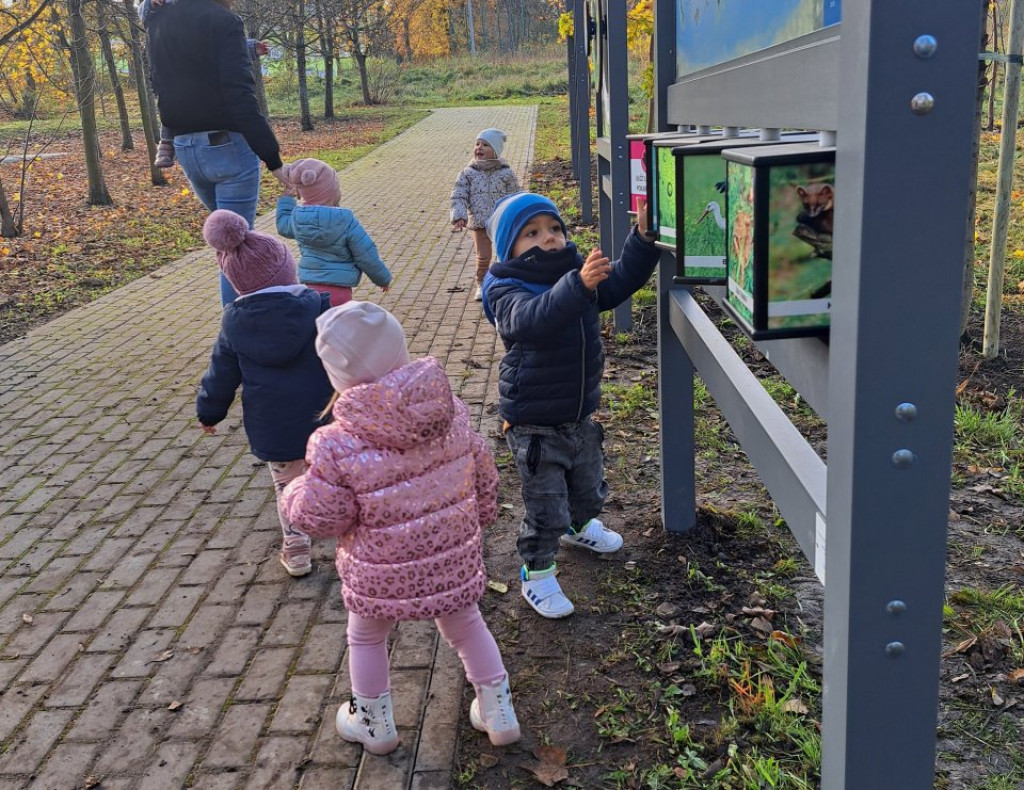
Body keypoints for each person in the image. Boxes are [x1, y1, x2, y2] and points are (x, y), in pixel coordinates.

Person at [281, 301, 520, 755]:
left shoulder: (334, 442)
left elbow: (323, 515)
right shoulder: (449, 411)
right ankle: (499, 712)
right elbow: (483, 469)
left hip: (378, 569)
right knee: (467, 625)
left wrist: (293, 493)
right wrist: (482, 514)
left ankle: (375, 725)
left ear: (336, 375)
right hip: (453, 555)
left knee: (367, 636)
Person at [481, 192, 660, 619]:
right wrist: (577, 285)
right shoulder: (504, 287)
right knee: (546, 507)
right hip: (534, 422)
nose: (549, 239)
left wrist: (643, 238)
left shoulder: (573, 276)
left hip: (579, 413)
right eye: (532, 233)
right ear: (510, 246)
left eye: (554, 229)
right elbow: (532, 320)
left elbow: (619, 282)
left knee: (588, 484)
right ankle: (537, 572)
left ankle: (580, 528)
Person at [195, 209, 333, 578]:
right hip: (325, 418)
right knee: (332, 477)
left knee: (288, 486)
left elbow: (220, 376)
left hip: (273, 425)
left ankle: (298, 549)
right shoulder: (319, 310)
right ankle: (346, 532)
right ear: (288, 270)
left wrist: (209, 414)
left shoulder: (233, 325)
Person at [144, 0, 286, 305]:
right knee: (237, 247)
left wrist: (245, 47)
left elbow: (185, 67)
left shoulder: (158, 21)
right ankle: (241, 333)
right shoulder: (224, 20)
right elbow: (240, 94)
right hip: (228, 149)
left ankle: (239, 331)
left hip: (184, 146)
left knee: (229, 242)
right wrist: (272, 158)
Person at [276, 158, 392, 307]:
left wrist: (287, 199)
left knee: (316, 328)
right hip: (339, 291)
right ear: (331, 192)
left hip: (310, 290)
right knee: (338, 328)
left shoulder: (297, 218)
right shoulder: (345, 220)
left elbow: (282, 226)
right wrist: (382, 278)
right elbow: (365, 254)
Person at [450, 128, 521, 302]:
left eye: (485, 145)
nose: (479, 148)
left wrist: (519, 215)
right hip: (480, 223)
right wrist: (459, 216)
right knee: (483, 257)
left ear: (495, 151)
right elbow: (459, 194)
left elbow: (516, 195)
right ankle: (481, 284)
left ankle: (504, 283)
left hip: (502, 222)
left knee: (504, 255)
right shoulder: (468, 173)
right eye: (477, 144)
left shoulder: (506, 173)